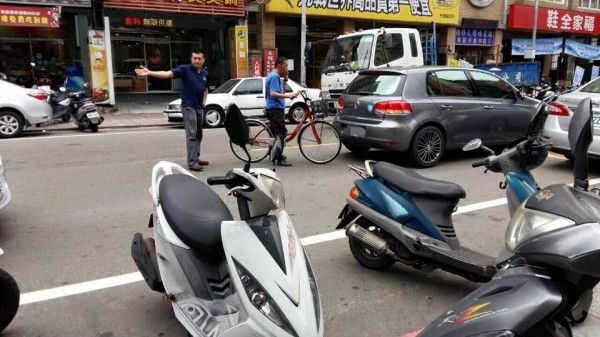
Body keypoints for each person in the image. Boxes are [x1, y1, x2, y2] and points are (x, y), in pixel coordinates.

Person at [135, 49, 209, 172]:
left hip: (198, 107)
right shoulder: (185, 69)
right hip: (188, 106)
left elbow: (205, 89)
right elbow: (167, 74)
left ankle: (196, 156)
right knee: (191, 135)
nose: (196, 60)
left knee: (198, 134)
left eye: (199, 58)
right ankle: (192, 162)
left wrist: (204, 102)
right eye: (194, 58)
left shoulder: (205, 73)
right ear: (191, 59)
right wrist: (149, 72)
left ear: (203, 60)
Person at [265, 57, 300, 167]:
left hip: (274, 108)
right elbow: (273, 94)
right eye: (285, 65)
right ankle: (278, 158)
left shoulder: (275, 76)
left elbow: (281, 92)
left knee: (275, 134)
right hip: (275, 109)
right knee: (282, 133)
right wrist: (289, 95)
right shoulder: (274, 76)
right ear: (279, 65)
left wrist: (285, 79)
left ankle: (274, 153)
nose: (287, 68)